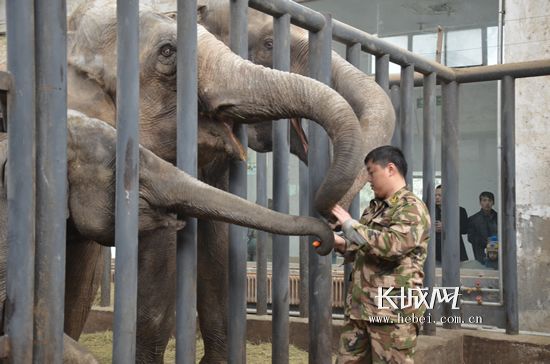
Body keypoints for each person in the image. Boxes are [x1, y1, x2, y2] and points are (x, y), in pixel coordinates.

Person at [331, 145, 430, 364]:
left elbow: (392, 246)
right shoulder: (374, 208)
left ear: (391, 169)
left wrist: (350, 225)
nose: (368, 179)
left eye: (371, 171)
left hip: (392, 316)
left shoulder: (411, 207)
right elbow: (366, 248)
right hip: (359, 310)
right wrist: (341, 243)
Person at [434, 185, 469, 263]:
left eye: (440, 195)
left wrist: (445, 227)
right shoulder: (430, 211)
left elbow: (464, 229)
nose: (437, 197)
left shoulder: (460, 211)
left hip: (454, 249)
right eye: (435, 195)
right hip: (436, 251)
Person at [467, 191, 498, 266]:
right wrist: (486, 242)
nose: (487, 203)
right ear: (480, 202)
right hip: (480, 253)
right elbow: (471, 238)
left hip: (498, 252)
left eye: (489, 200)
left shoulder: (500, 218)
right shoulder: (473, 219)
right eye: (484, 200)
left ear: (493, 203)